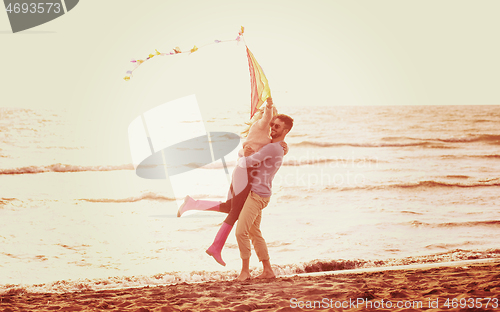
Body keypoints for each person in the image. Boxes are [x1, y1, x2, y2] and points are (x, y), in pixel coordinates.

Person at [177, 97, 288, 267]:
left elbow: (271, 149)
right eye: (272, 119)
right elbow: (260, 140)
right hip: (244, 172)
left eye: (275, 122)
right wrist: (270, 106)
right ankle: (216, 246)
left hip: (244, 172)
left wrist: (284, 147)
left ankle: (194, 204)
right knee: (235, 212)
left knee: (230, 207)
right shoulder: (260, 124)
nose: (272, 124)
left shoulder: (264, 133)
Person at [235, 113, 293, 281]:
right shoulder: (277, 147)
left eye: (277, 126)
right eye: (272, 124)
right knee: (254, 233)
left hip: (257, 195)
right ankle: (268, 270)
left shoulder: (273, 148)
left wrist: (243, 154)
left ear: (285, 130)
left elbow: (246, 162)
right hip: (261, 193)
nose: (272, 128)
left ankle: (245, 272)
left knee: (241, 232)